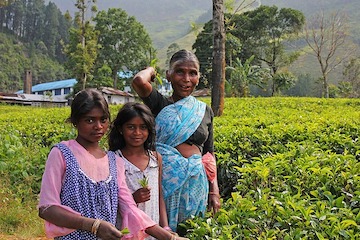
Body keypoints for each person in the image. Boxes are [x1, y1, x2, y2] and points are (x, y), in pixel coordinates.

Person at [38, 88, 187, 240]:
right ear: (75, 121)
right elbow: (47, 208)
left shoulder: (114, 162)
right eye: (90, 120)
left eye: (103, 120)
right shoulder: (62, 153)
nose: (98, 126)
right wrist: (93, 225)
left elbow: (130, 208)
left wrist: (171, 238)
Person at [132, 49, 221, 232]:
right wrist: (151, 70)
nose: (186, 79)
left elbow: (209, 154)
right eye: (180, 71)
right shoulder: (159, 104)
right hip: (164, 185)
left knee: (193, 231)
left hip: (197, 185)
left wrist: (215, 190)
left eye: (193, 73)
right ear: (169, 75)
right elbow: (139, 81)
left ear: (199, 76)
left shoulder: (204, 111)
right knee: (165, 231)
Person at [108, 102, 172, 240]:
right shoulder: (114, 159)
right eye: (131, 127)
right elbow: (111, 200)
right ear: (120, 129)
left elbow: (159, 195)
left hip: (154, 232)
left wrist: (165, 228)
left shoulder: (155, 158)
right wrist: (133, 198)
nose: (137, 133)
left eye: (143, 127)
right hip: (127, 232)